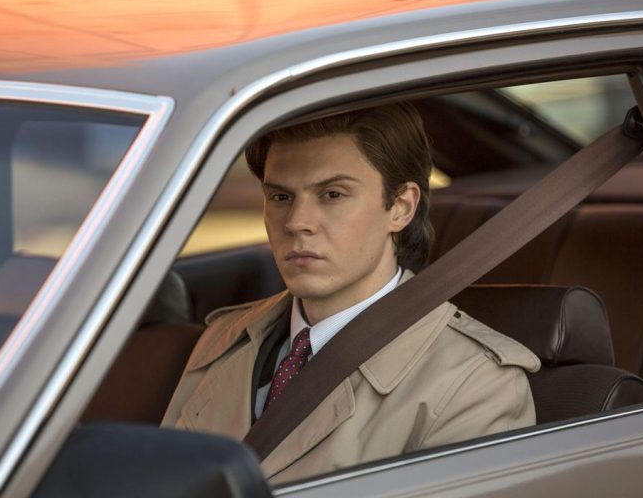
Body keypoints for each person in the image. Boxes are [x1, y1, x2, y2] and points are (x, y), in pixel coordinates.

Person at [162, 102, 540, 483]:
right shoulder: (223, 342)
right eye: (280, 197)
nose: (296, 222)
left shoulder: (473, 387)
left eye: (332, 195)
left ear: (400, 207)